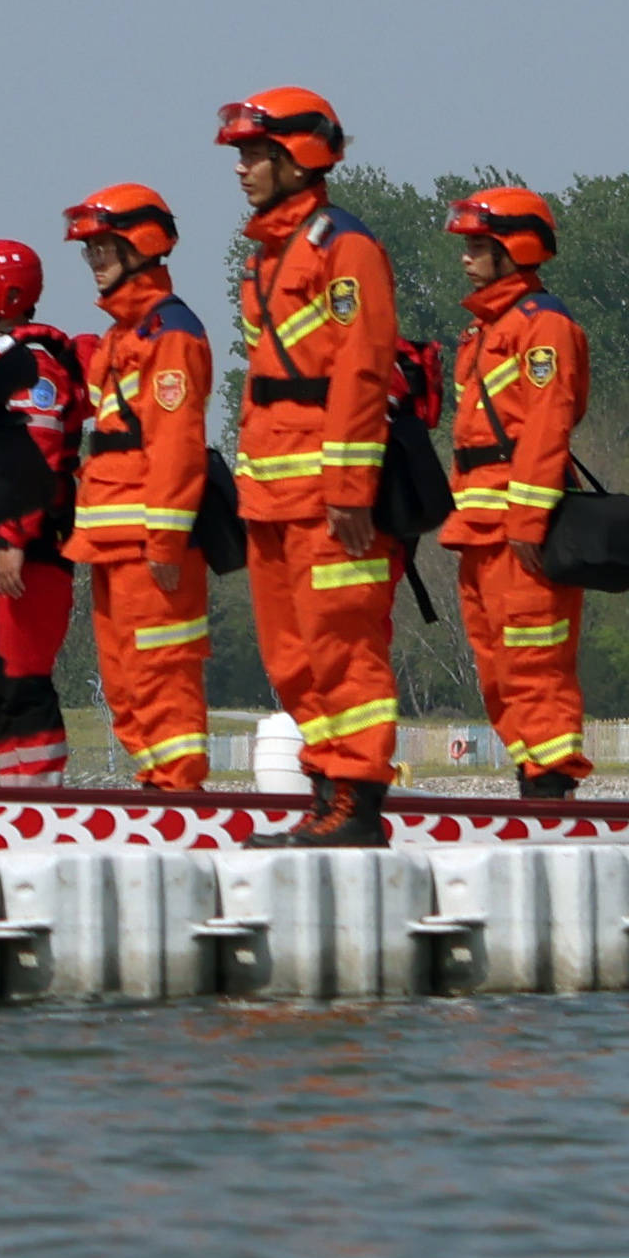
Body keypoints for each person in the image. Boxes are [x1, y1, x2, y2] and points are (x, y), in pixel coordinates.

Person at [214, 88, 410, 842]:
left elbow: (361, 370)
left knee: (343, 648)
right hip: (271, 491)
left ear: (297, 158)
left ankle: (357, 800)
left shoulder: (343, 246)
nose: (241, 169)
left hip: (327, 496)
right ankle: (326, 794)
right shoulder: (269, 252)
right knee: (290, 656)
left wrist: (349, 489)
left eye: (254, 155)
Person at [442, 183, 593, 799]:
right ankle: (531, 772)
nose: (466, 258)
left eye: (479, 246)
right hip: (478, 523)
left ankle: (550, 786)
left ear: (516, 249)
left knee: (535, 662)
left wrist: (528, 520)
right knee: (496, 666)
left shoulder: (542, 324)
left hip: (520, 524)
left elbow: (549, 423)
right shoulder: (484, 330)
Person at [63, 183, 217, 787]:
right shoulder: (125, 334)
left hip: (148, 543)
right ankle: (158, 789)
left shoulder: (168, 334)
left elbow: (176, 445)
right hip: (111, 541)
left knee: (162, 677)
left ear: (142, 245)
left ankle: (180, 799)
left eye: (103, 247)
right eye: (89, 250)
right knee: (126, 683)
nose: (93, 260)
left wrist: (166, 542)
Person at [0, 238, 89, 787]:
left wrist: (14, 540)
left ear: (7, 295)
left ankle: (39, 793)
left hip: (29, 547)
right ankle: (16, 792)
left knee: (22, 676)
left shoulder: (33, 364)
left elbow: (38, 452)